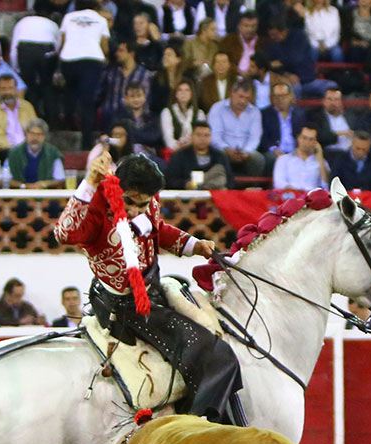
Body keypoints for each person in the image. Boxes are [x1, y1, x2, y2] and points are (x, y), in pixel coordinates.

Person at [54, 152, 244, 425]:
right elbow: (64, 233)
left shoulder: (148, 203)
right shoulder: (97, 206)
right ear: (118, 188)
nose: (137, 210)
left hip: (152, 289)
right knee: (216, 354)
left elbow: (158, 230)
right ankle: (197, 426)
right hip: (126, 306)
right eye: (131, 202)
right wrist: (88, 183)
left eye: (144, 204)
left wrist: (195, 245)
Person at [58, 0, 109, 148]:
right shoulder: (101, 19)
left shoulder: (68, 17)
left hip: (68, 59)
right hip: (92, 60)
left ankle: (68, 122)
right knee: (87, 102)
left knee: (71, 93)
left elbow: (62, 42)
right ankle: (86, 142)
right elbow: (104, 47)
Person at [208, 78, 264, 177]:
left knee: (258, 159)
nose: (243, 101)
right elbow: (215, 136)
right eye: (240, 96)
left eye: (247, 98)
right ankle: (224, 185)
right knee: (220, 155)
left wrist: (246, 151)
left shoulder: (255, 112)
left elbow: (255, 137)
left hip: (245, 152)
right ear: (232, 93)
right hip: (223, 150)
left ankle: (252, 188)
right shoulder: (217, 108)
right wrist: (227, 149)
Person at [98, 39, 153, 129]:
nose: (117, 53)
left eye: (121, 51)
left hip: (134, 118)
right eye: (117, 51)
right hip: (110, 116)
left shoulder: (144, 75)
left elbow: (147, 100)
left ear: (131, 53)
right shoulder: (111, 73)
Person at [165, 119, 234, 189]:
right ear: (191, 136)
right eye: (199, 135)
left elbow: (229, 180)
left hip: (215, 193)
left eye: (206, 135)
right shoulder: (179, 156)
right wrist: (185, 184)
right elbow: (171, 181)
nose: (202, 139)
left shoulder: (220, 156)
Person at [0, 74, 36, 156]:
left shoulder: (27, 106)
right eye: (4, 89)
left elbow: (35, 129)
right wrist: (18, 149)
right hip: (5, 151)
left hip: (29, 148)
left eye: (11, 88)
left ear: (16, 89)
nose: (8, 92)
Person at [6, 119, 65, 189]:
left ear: (44, 136)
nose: (35, 138)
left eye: (39, 134)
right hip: (20, 196)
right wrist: (25, 186)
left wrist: (45, 184)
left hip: (46, 196)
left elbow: (60, 179)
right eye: (32, 134)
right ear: (26, 134)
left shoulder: (53, 153)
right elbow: (6, 179)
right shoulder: (14, 153)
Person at [112, 81, 162, 158]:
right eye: (132, 96)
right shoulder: (119, 117)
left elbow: (154, 138)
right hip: (126, 156)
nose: (136, 100)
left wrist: (131, 132)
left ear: (145, 97)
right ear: (126, 98)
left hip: (149, 156)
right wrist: (143, 136)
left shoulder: (153, 117)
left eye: (139, 96)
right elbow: (118, 139)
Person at [272, 124, 329, 190]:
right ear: (298, 138)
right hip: (290, 196)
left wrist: (320, 158)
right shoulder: (283, 159)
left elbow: (325, 185)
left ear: (316, 142)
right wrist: (298, 193)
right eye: (304, 138)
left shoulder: (321, 162)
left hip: (312, 197)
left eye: (311, 139)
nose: (306, 142)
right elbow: (279, 183)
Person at [161, 80, 205, 151]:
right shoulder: (167, 112)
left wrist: (190, 145)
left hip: (194, 150)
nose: (183, 93)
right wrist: (180, 148)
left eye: (187, 90)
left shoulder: (199, 113)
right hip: (175, 152)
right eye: (180, 90)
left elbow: (201, 136)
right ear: (176, 94)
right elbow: (168, 139)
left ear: (191, 94)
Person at [308, 87, 354, 151]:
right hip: (329, 153)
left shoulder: (351, 116)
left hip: (350, 153)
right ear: (324, 101)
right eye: (329, 99)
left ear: (341, 102)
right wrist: (341, 133)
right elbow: (320, 137)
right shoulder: (316, 117)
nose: (333, 103)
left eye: (336, 99)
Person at [221, 12, 258, 76]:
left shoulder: (262, 43)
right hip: (234, 77)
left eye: (253, 26)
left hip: (256, 77)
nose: (250, 29)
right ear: (239, 26)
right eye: (246, 26)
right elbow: (223, 61)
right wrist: (238, 71)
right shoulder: (228, 41)